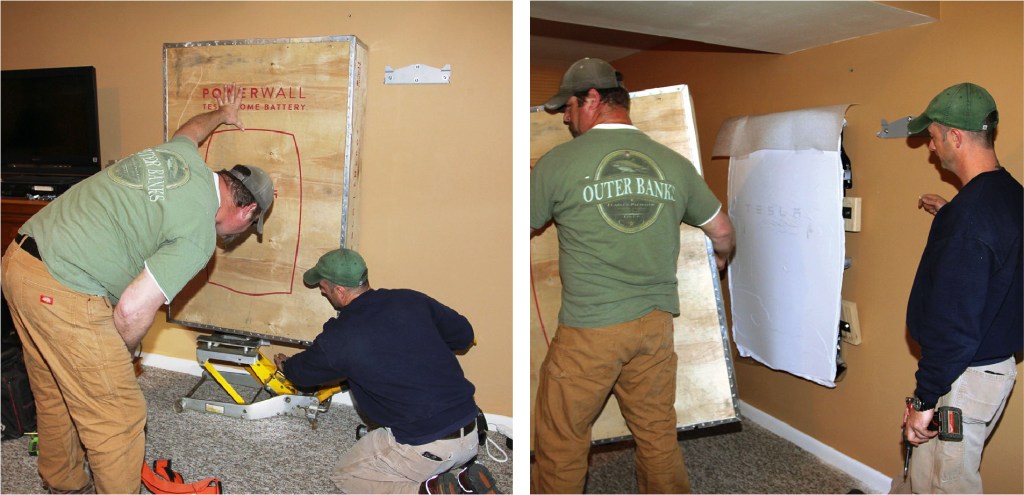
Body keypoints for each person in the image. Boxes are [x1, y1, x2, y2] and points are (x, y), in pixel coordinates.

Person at [1, 83, 274, 494]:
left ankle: (63, 482)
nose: (237, 235)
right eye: (248, 226)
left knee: (56, 386)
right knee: (119, 415)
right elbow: (131, 310)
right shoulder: (198, 237)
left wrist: (222, 114)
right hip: (65, 288)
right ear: (248, 209)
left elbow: (192, 128)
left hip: (19, 261)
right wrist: (122, 353)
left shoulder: (179, 156)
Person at [530, 58, 735, 493]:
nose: (564, 117)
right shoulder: (673, 164)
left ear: (591, 99)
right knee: (657, 433)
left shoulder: (558, 163)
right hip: (655, 325)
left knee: (562, 439)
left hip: (591, 330)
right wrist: (717, 264)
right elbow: (723, 231)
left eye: (567, 106)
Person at [274, 248, 496, 494]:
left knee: (346, 476)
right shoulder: (411, 300)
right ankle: (465, 484)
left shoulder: (340, 337)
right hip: (471, 429)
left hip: (424, 446)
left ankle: (428, 491)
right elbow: (464, 335)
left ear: (340, 291)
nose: (322, 290)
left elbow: (301, 374)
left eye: (323, 286)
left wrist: (285, 364)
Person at [894, 82, 1021, 494]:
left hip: (961, 377)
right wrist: (950, 216)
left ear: (954, 136)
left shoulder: (969, 222)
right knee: (925, 479)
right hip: (992, 368)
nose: (931, 148)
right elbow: (998, 261)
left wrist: (924, 401)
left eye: (932, 137)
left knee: (941, 486)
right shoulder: (1009, 195)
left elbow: (954, 324)